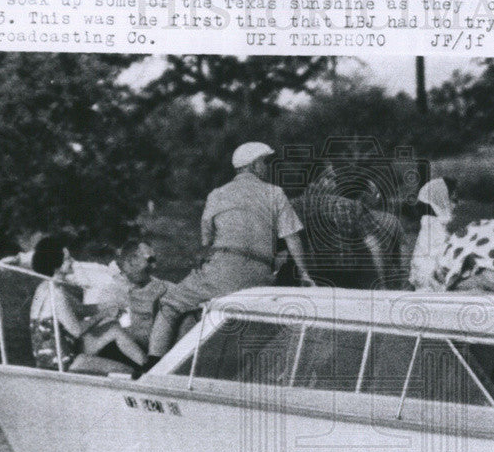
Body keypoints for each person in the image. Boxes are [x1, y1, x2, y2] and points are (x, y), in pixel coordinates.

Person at [147, 142, 315, 360]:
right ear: (254, 165)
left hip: (224, 269)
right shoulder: (275, 193)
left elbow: (207, 240)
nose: (268, 167)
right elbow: (292, 238)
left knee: (169, 305)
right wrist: (304, 273)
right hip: (260, 276)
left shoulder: (217, 194)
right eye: (265, 162)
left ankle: (152, 365)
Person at [29, 236, 146, 371]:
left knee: (113, 328)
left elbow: (81, 310)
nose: (72, 261)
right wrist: (105, 313)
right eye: (67, 259)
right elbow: (77, 330)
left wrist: (111, 305)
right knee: (126, 370)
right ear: (56, 265)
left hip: (58, 351)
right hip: (61, 361)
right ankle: (142, 374)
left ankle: (149, 366)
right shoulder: (56, 294)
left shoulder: (45, 287)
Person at [286, 169, 392, 290]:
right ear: (314, 182)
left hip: (306, 275)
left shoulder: (291, 206)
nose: (335, 183)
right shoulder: (351, 205)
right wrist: (382, 282)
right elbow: (374, 244)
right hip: (345, 276)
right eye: (330, 179)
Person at [94, 239, 171, 352]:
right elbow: (110, 337)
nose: (154, 266)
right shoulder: (111, 293)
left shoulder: (156, 283)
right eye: (150, 260)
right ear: (131, 261)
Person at [408, 177, 456, 291]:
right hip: (432, 288)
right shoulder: (434, 228)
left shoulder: (431, 224)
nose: (456, 205)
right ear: (442, 201)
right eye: (454, 200)